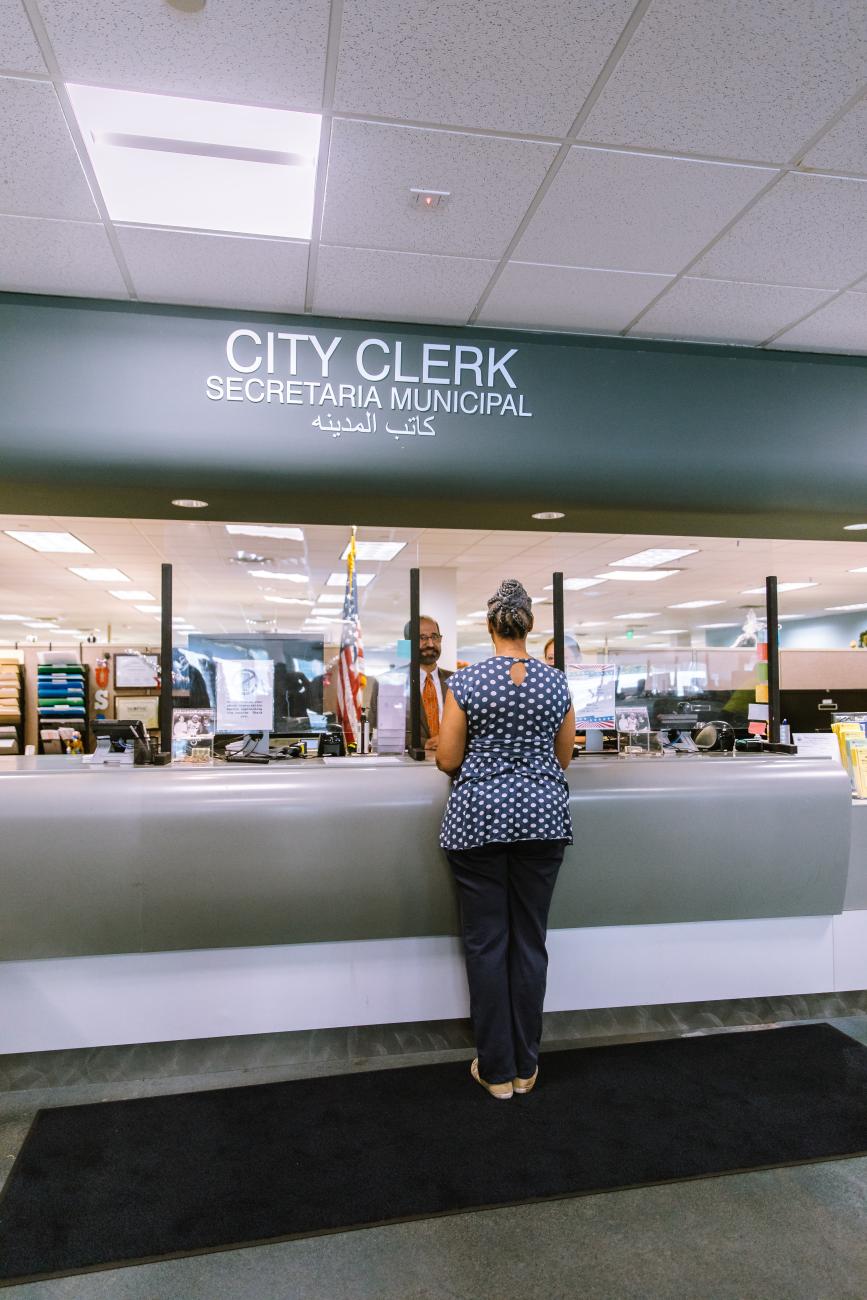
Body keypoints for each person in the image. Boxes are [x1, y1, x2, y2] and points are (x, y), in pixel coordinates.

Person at [437, 579, 575, 1100]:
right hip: (543, 819)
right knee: (529, 941)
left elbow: (449, 759)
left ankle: (495, 1071)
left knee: (487, 942)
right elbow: (562, 757)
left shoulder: (467, 683)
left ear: (490, 625)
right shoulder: (555, 683)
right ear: (529, 625)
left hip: (478, 823)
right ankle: (527, 1066)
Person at [404, 615, 452, 752]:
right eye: (422, 638)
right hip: (411, 765)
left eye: (435, 636)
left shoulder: (458, 681)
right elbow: (380, 731)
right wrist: (424, 743)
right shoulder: (392, 684)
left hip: (454, 765)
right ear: (409, 642)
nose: (430, 644)